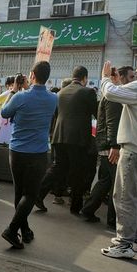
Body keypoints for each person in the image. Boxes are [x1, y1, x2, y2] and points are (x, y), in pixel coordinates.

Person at [0, 61, 57, 249]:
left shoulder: (19, 97)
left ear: (31, 75)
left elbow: (4, 113)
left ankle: (20, 230)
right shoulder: (53, 99)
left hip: (16, 151)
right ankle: (15, 230)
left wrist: (15, 91)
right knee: (30, 194)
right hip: (39, 153)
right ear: (47, 77)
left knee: (20, 192)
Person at [36, 66, 97, 215]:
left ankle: (38, 194)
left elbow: (57, 114)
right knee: (78, 172)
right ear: (85, 78)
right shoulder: (88, 92)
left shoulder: (61, 92)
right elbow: (96, 113)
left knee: (58, 167)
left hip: (59, 136)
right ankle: (75, 207)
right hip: (77, 139)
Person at [81, 66, 135, 226]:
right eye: (131, 77)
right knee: (114, 184)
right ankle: (111, 219)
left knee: (106, 181)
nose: (134, 80)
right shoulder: (113, 96)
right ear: (121, 77)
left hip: (108, 145)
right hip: (111, 146)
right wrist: (114, 146)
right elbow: (113, 122)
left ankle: (88, 209)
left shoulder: (113, 94)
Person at [99, 61, 137, 258]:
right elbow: (125, 93)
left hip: (133, 150)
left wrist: (106, 78)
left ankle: (124, 243)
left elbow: (111, 93)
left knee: (125, 197)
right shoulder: (136, 89)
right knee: (136, 198)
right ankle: (135, 239)